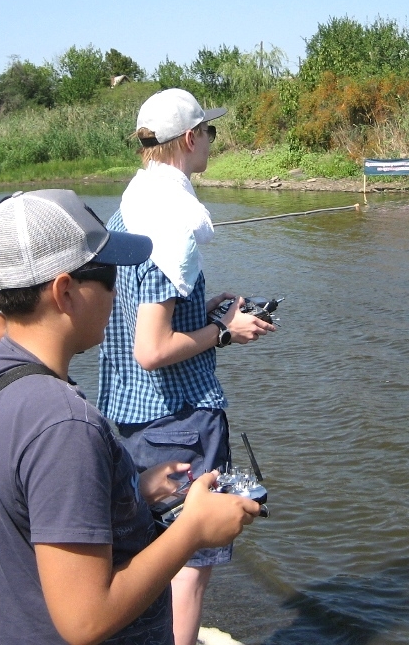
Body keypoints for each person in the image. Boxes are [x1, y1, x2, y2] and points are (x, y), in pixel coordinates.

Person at [0, 188, 260, 645]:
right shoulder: (63, 424)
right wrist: (194, 530)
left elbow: (32, 508)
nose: (117, 289)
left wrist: (129, 492)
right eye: (107, 276)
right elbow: (86, 620)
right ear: (65, 292)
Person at [97, 88, 276, 645]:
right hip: (176, 419)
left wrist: (204, 308)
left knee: (147, 552)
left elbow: (139, 309)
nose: (212, 144)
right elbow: (151, 348)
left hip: (130, 417)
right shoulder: (172, 219)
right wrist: (225, 331)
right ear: (190, 138)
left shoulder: (132, 200)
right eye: (210, 133)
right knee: (189, 564)